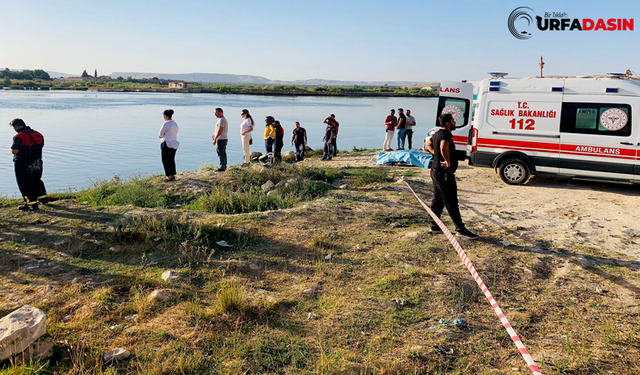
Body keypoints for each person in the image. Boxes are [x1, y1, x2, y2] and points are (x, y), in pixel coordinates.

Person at [426, 113, 478, 239]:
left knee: (438, 199)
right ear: (448, 123)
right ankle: (460, 229)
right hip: (444, 174)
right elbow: (444, 146)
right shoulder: (446, 134)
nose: (455, 122)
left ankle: (434, 226)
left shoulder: (436, 133)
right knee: (451, 201)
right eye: (453, 120)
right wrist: (447, 160)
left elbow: (428, 144)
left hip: (436, 171)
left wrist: (436, 154)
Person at [9, 118, 47, 211]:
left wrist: (10, 151)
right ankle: (43, 199)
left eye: (14, 127)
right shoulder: (38, 134)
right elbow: (41, 146)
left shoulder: (18, 137)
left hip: (23, 163)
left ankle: (31, 205)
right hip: (37, 162)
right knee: (37, 180)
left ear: (16, 126)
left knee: (25, 183)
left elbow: (14, 151)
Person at [158, 109, 179, 182]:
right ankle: (172, 175)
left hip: (166, 143)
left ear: (165, 116)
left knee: (165, 160)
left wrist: (162, 135)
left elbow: (160, 134)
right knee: (171, 160)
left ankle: (169, 177)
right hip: (174, 144)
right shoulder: (175, 123)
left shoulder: (166, 123)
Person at [212, 107, 228, 172]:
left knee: (220, 153)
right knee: (223, 152)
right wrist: (215, 136)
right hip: (223, 138)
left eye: (216, 113)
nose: (215, 114)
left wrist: (215, 138)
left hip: (221, 139)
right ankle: (224, 165)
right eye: (215, 113)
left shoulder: (222, 120)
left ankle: (222, 166)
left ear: (221, 112)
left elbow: (220, 130)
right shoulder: (222, 120)